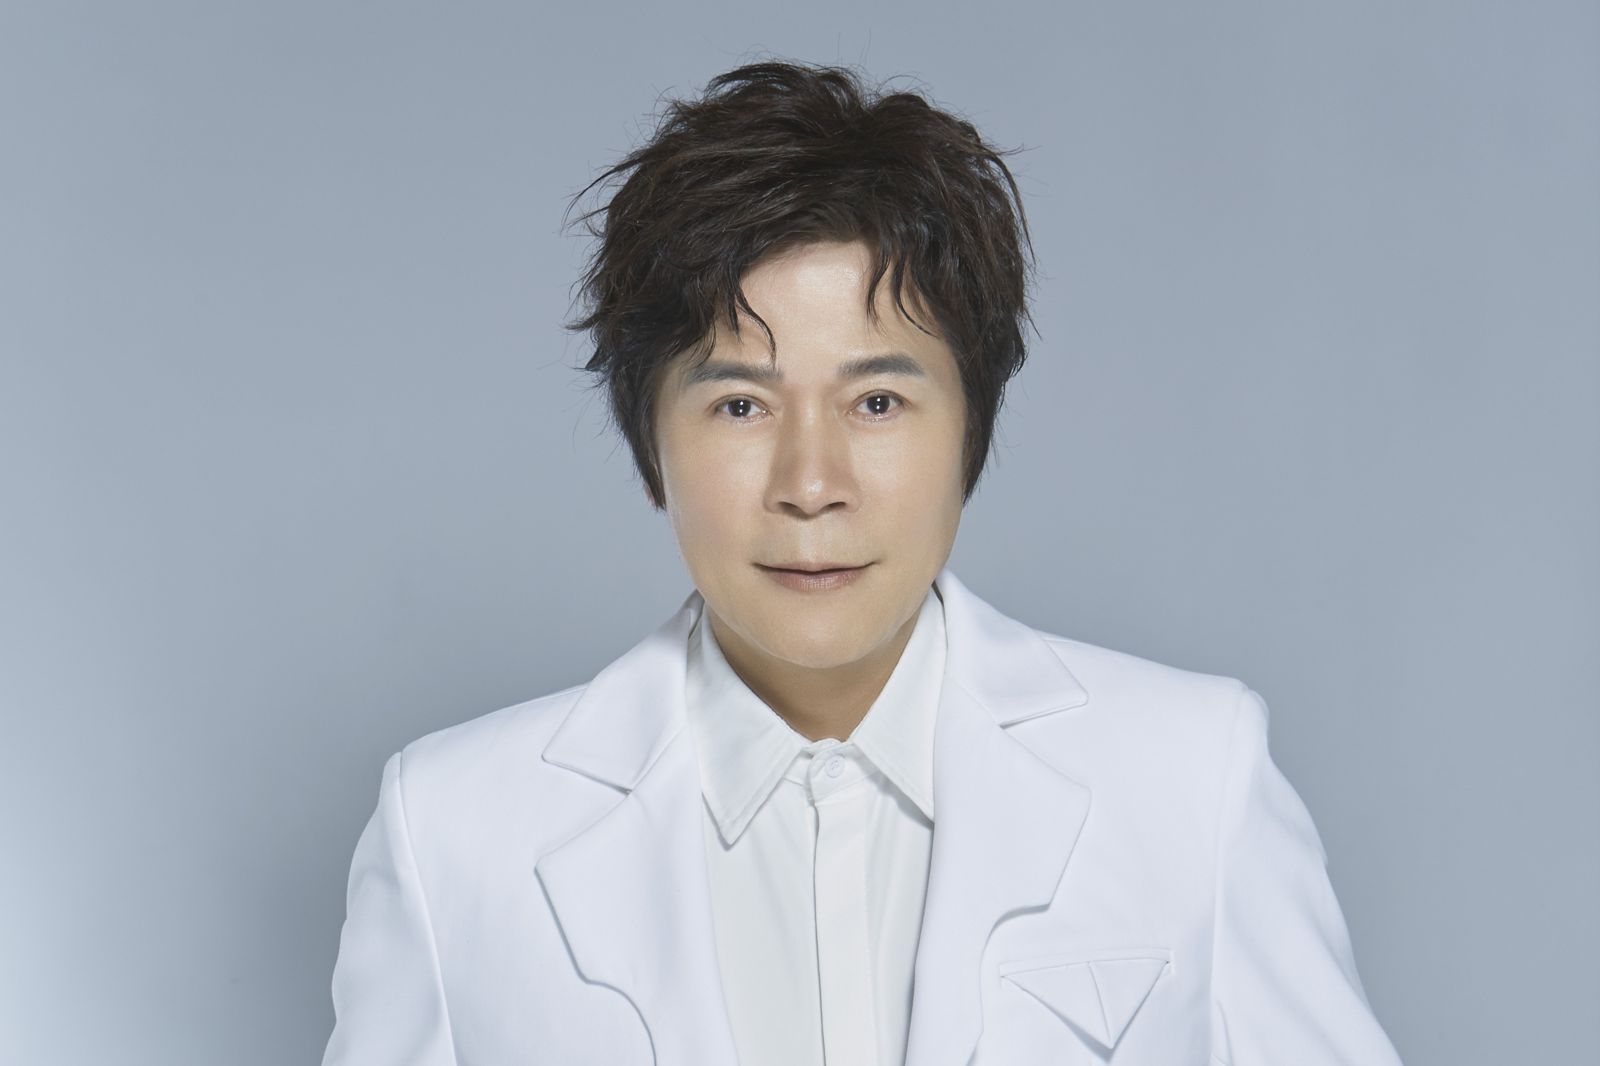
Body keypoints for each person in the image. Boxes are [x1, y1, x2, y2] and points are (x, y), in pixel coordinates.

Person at [320, 60, 1404, 1066]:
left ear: (970, 433)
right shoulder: (452, 834)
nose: (811, 482)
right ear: (651, 446)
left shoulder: (1192, 779)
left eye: (877, 401)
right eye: (739, 405)